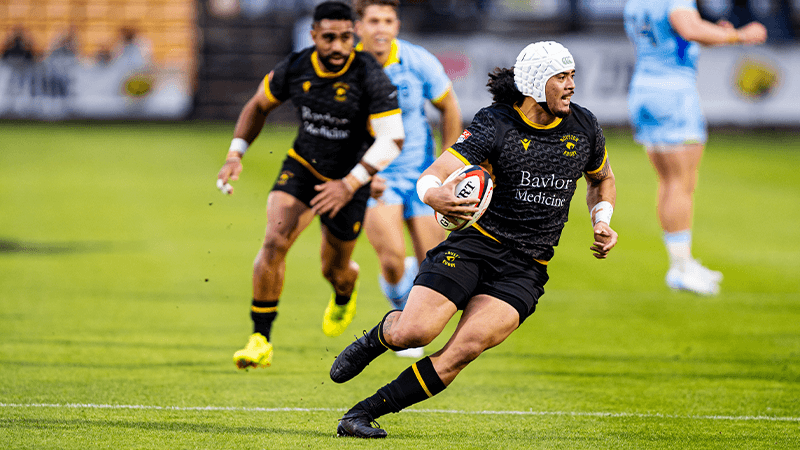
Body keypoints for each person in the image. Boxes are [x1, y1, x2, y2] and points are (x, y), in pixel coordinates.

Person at [329, 41, 618, 438]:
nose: (571, 85)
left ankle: (361, 414)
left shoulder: (584, 127)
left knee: (462, 351)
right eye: (561, 77)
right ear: (536, 83)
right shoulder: (495, 123)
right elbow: (436, 172)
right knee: (414, 333)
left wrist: (602, 220)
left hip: (526, 267)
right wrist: (433, 195)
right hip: (473, 248)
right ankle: (378, 338)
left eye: (572, 76)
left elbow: (602, 178)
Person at [216, 1, 404, 370]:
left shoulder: (369, 74)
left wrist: (349, 184)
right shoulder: (296, 66)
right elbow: (258, 105)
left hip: (350, 178)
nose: (337, 47)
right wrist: (235, 153)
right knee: (274, 241)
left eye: (345, 38)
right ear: (313, 35)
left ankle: (345, 290)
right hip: (303, 166)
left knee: (334, 269)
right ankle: (260, 339)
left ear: (355, 36)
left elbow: (393, 139)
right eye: (329, 37)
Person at [624, 0, 767, 295]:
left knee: (668, 181)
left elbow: (676, 34)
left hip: (643, 88)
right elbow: (688, 28)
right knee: (682, 183)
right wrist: (739, 35)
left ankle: (682, 262)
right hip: (674, 93)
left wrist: (717, 33)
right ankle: (680, 269)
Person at [353, 0, 463, 357]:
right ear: (358, 27)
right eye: (373, 21)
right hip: (377, 176)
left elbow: (449, 106)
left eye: (388, 20)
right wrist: (359, 171)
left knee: (432, 261)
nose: (381, 28)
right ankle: (401, 315)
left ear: (396, 25)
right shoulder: (348, 68)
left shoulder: (416, 61)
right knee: (391, 261)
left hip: (422, 174)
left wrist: (448, 164)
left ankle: (411, 322)